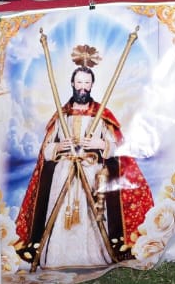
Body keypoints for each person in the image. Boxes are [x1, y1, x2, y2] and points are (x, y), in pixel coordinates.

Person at [14, 60, 156, 269]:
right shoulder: (62, 116)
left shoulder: (102, 115)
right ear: (72, 83)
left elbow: (118, 148)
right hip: (64, 174)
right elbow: (46, 152)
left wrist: (102, 144)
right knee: (60, 213)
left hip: (92, 174)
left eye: (87, 83)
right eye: (79, 82)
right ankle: (57, 258)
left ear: (92, 85)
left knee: (92, 216)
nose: (82, 87)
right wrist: (60, 146)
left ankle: (94, 256)